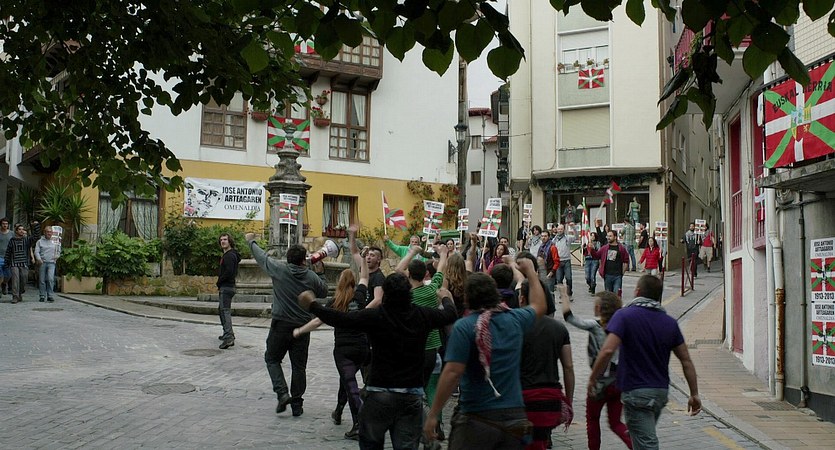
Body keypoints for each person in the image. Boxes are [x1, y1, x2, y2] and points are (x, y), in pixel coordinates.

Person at [299, 274, 458, 449]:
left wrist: (313, 305)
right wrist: (445, 297)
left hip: (379, 394)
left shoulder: (375, 316)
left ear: (385, 294)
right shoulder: (422, 315)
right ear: (409, 293)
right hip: (410, 394)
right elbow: (450, 315)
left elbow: (341, 319)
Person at [423, 258, 548, 449]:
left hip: (476, 417)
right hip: (514, 416)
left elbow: (453, 372)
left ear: (467, 298)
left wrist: (433, 414)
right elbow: (539, 306)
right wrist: (531, 272)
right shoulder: (515, 318)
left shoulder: (465, 326)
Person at [589, 275, 701, 449]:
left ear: (638, 292)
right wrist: (694, 393)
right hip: (660, 393)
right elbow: (686, 360)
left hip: (636, 392)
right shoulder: (670, 323)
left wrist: (593, 378)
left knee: (647, 444)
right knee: (640, 438)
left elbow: (607, 350)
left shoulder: (624, 316)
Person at [295, 225, 369, 440]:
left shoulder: (334, 303)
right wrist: (364, 260)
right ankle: (338, 411)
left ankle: (359, 424)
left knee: (351, 385)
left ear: (339, 283)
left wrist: (300, 330)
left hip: (343, 351)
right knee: (346, 381)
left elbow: (318, 320)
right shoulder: (360, 296)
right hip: (362, 348)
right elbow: (365, 277)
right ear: (353, 283)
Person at [245, 233, 329, 417]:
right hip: (302, 327)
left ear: (288, 259)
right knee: (299, 367)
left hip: (280, 325)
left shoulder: (279, 269)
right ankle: (297, 404)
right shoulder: (311, 277)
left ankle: (282, 393)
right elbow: (323, 291)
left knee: (272, 359)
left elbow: (261, 257)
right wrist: (321, 272)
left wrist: (251, 241)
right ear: (304, 260)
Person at [563, 289, 632, 450]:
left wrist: (564, 295)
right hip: (618, 383)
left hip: (599, 383)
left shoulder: (595, 326)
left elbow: (569, 317)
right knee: (616, 423)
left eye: (595, 304)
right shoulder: (622, 327)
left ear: (600, 308)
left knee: (593, 420)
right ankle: (634, 446)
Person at [520, 280, 574, 450]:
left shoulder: (516, 325)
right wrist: (569, 401)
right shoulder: (559, 328)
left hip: (522, 396)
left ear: (522, 298)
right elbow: (568, 367)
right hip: (550, 399)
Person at [216, 233, 241, 349]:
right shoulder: (229, 255)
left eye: (225, 239)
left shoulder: (229, 256)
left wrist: (219, 281)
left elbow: (229, 272)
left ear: (230, 241)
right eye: (221, 240)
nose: (223, 241)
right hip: (227, 286)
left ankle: (229, 337)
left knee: (225, 311)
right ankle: (226, 333)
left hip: (226, 287)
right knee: (221, 310)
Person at [3, 224, 34, 304]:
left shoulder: (26, 240)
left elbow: (36, 237)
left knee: (24, 279)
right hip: (14, 263)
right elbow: (8, 252)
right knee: (15, 280)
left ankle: (20, 292)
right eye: (19, 229)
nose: (21, 231)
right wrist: (6, 264)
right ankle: (15, 296)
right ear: (16, 231)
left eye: (22, 229)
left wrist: (36, 226)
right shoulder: (12, 240)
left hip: (24, 263)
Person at [594, 230, 629, 297]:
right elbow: (596, 256)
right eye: (607, 236)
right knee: (608, 296)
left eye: (610, 236)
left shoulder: (621, 248)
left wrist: (622, 272)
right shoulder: (604, 248)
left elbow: (626, 261)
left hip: (617, 276)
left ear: (615, 237)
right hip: (607, 275)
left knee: (617, 295)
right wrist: (591, 249)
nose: (608, 238)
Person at [34, 226, 61, 303]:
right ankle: (42, 295)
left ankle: (50, 295)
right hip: (42, 262)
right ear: (44, 232)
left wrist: (57, 256)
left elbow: (58, 251)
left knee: (50, 279)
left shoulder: (55, 241)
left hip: (52, 263)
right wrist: (39, 259)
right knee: (42, 280)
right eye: (47, 232)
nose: (49, 233)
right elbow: (36, 251)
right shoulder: (40, 241)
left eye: (50, 232)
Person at [551, 224, 574, 296]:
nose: (560, 230)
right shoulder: (554, 239)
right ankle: (562, 294)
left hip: (566, 260)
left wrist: (573, 228)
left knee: (568, 278)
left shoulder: (567, 238)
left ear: (564, 230)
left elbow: (576, 237)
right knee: (559, 279)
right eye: (559, 229)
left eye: (561, 229)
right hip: (558, 261)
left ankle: (569, 292)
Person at [0, 218, 13, 296]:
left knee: (8, 274)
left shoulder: (12, 233)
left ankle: (4, 284)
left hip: (8, 257)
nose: (5, 225)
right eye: (3, 224)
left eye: (6, 224)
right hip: (0, 256)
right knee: (0, 274)